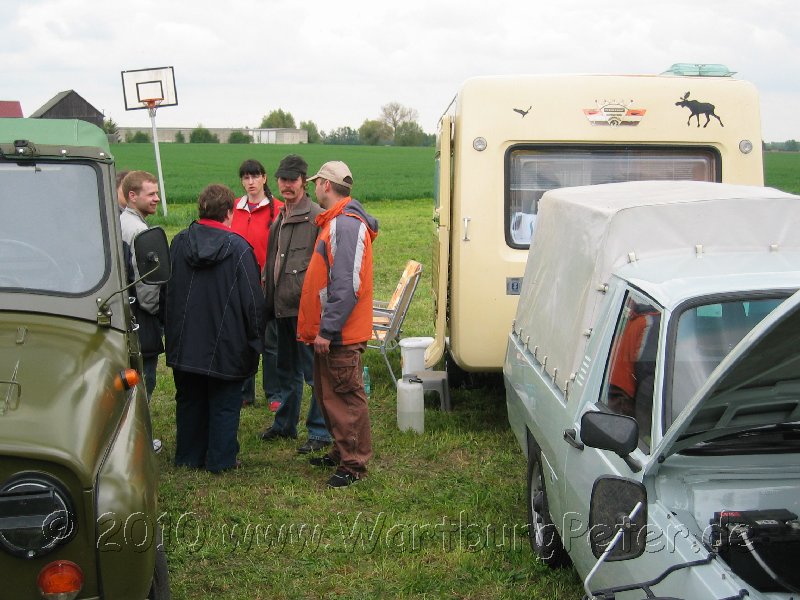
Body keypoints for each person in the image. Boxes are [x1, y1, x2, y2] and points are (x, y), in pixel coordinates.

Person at [164, 184, 266, 473]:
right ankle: (221, 460)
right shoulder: (239, 249)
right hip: (227, 344)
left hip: (186, 340)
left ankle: (189, 455)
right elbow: (253, 301)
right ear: (230, 212)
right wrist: (257, 338)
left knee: (190, 399)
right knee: (224, 403)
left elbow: (166, 291)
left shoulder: (179, 242)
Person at [297, 161, 379, 488]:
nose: (314, 188)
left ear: (326, 185)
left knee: (346, 399)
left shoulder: (345, 225)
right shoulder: (336, 221)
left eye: (316, 183)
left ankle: (354, 464)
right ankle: (341, 450)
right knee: (330, 396)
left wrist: (327, 330)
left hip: (339, 334)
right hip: (332, 332)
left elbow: (346, 286)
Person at [259, 155, 332, 454]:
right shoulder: (280, 216)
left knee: (314, 375)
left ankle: (319, 432)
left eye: (292, 180)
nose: (287, 185)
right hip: (281, 308)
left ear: (304, 181)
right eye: (283, 179)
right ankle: (284, 424)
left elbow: (325, 267)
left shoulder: (317, 217)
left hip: (306, 310)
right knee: (285, 370)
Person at [230, 160, 284, 409]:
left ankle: (274, 392)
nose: (250, 182)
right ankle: (244, 391)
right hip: (239, 283)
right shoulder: (234, 208)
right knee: (243, 340)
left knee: (271, 342)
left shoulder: (279, 209)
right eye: (245, 177)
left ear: (264, 178)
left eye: (255, 177)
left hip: (268, 284)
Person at [120, 171, 163, 400]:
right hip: (139, 314)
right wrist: (155, 311)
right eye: (151, 194)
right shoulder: (139, 232)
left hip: (123, 309)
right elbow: (145, 281)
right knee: (145, 379)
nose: (157, 198)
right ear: (132, 196)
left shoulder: (119, 222)